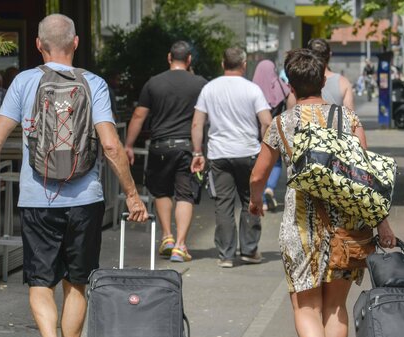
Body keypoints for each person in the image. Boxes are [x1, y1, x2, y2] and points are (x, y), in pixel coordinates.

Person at [0, 14, 148, 337]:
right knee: (78, 283)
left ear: (38, 45)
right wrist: (133, 195)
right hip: (85, 199)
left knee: (40, 283)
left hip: (36, 200)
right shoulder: (94, 83)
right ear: (75, 44)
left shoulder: (23, 81)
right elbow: (110, 146)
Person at [248, 48, 396, 337]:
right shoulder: (348, 118)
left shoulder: (281, 123)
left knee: (305, 305)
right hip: (347, 226)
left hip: (302, 228)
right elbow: (366, 178)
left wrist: (255, 202)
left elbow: (257, 175)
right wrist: (382, 223)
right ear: (323, 80)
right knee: (336, 306)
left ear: (290, 85)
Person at [125, 41, 207, 262]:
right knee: (185, 194)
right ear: (189, 59)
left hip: (160, 146)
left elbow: (139, 116)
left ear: (169, 57)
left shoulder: (154, 83)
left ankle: (167, 237)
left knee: (161, 192)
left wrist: (129, 145)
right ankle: (180, 246)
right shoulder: (200, 84)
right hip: (187, 147)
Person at [190, 47, 271, 268]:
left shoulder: (209, 88)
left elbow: (197, 123)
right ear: (244, 64)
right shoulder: (252, 89)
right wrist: (265, 147)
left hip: (219, 155)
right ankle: (249, 249)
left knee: (223, 204)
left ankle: (226, 255)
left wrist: (197, 152)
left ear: (222, 63)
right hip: (248, 152)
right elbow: (266, 121)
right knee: (250, 200)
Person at [252, 60, 294, 212]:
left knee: (259, 164)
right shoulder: (283, 87)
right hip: (276, 129)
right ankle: (270, 188)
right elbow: (291, 109)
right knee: (275, 162)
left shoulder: (253, 88)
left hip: (256, 132)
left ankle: (262, 199)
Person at [306, 38, 355, 110]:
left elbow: (290, 115)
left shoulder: (298, 81)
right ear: (330, 54)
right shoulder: (343, 83)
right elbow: (350, 117)